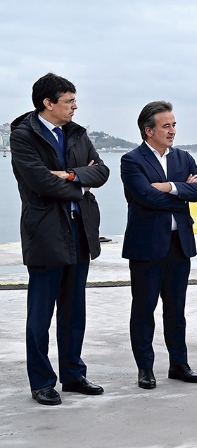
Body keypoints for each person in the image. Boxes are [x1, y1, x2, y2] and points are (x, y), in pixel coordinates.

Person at [10, 73, 110, 405]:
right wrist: (82, 181)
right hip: (45, 234)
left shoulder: (77, 134)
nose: (75, 107)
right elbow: (40, 183)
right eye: (68, 101)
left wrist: (69, 175)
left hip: (80, 232)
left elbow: (103, 171)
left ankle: (73, 374)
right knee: (40, 315)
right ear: (47, 103)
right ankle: (41, 381)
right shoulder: (24, 136)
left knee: (74, 311)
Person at [121, 101, 197, 389]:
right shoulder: (132, 160)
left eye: (174, 125)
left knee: (176, 309)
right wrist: (182, 190)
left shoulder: (183, 158)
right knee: (144, 310)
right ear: (149, 131)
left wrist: (170, 186)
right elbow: (145, 196)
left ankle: (178, 364)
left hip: (178, 244)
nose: (172, 130)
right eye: (166, 126)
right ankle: (145, 368)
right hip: (146, 246)